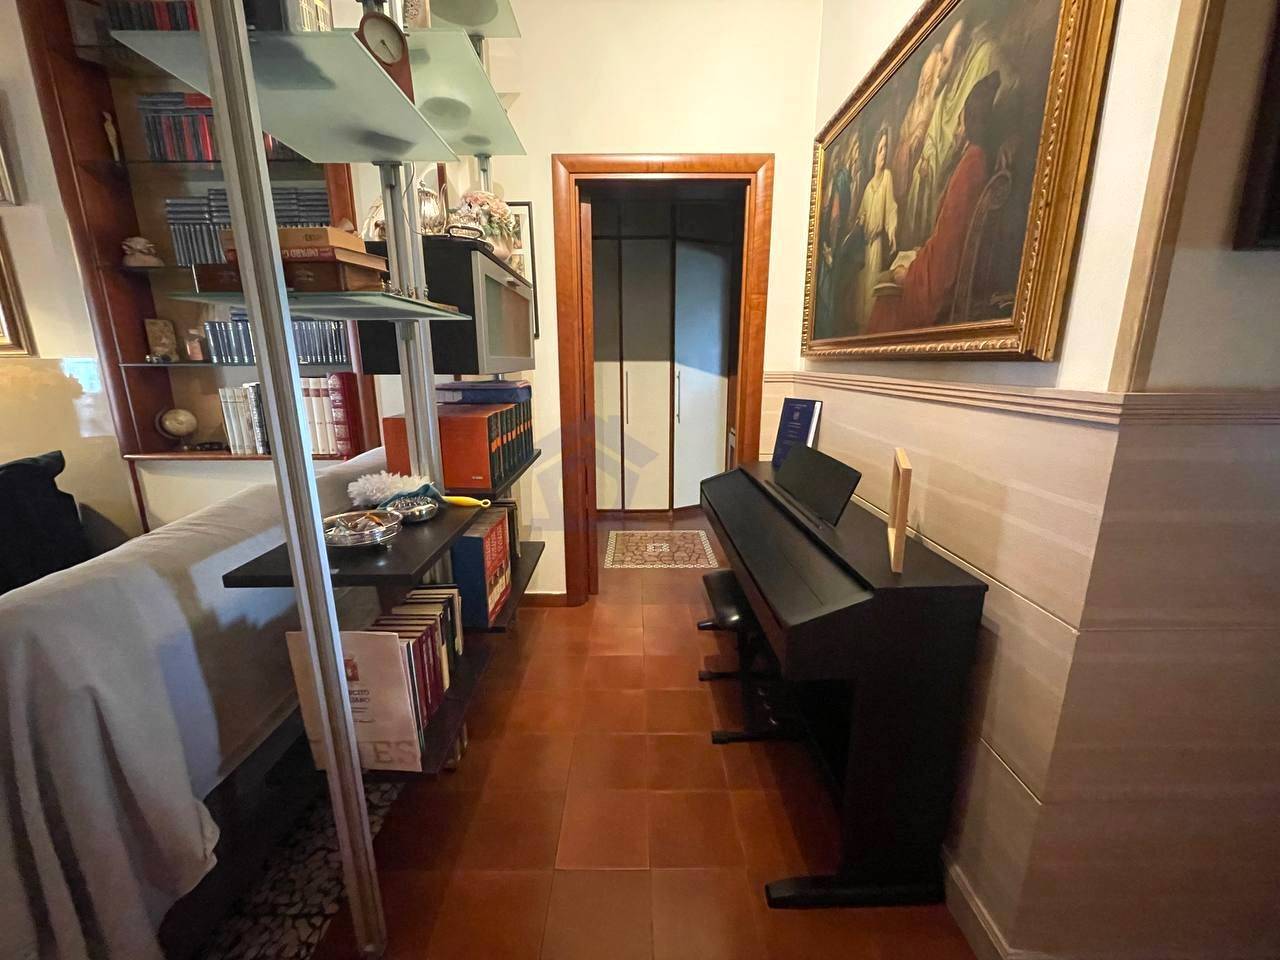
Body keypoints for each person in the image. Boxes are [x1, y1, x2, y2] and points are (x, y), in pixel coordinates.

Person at [868, 70, 1000, 335]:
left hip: (937, 286)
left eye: (960, 124)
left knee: (885, 303)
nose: (957, 132)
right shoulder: (973, 161)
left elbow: (946, 255)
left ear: (971, 123)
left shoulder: (971, 166)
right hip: (936, 269)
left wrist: (909, 275)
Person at [905, 18, 1004, 240]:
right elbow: (932, 137)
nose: (940, 72)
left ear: (959, 55)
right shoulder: (943, 95)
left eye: (945, 61)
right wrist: (927, 160)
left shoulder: (971, 163)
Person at [893, 44, 943, 247]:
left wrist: (917, 138)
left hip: (919, 170)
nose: (923, 88)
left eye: (927, 83)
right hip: (906, 170)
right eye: (921, 82)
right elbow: (904, 132)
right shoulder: (913, 107)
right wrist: (907, 143)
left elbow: (924, 131)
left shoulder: (933, 107)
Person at [854, 125, 899, 324]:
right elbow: (861, 214)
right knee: (863, 292)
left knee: (873, 293)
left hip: (877, 246)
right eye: (880, 149)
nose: (884, 154)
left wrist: (892, 232)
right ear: (874, 155)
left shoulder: (887, 177)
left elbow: (891, 208)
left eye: (886, 148)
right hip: (866, 247)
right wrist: (861, 220)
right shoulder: (867, 187)